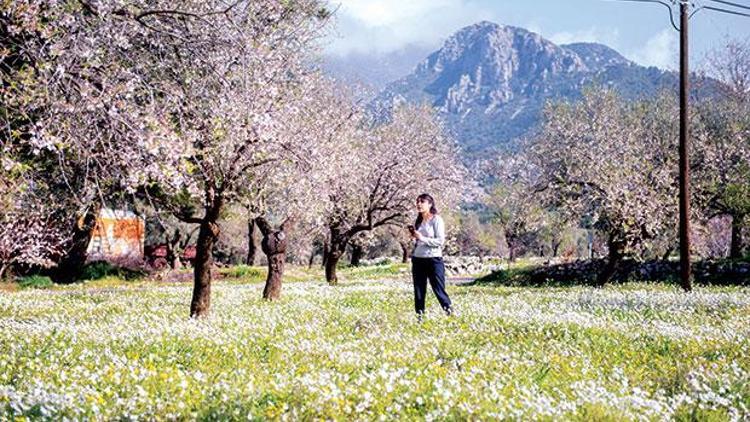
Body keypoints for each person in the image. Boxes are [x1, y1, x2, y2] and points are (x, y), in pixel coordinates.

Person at [408, 193, 453, 320]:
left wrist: (422, 238)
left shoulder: (436, 220)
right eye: (417, 201)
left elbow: (440, 241)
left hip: (433, 259)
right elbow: (419, 242)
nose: (419, 204)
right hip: (418, 260)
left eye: (422, 201)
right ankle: (420, 318)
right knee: (419, 290)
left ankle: (450, 312)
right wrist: (414, 238)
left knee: (438, 289)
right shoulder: (418, 221)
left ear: (430, 204)